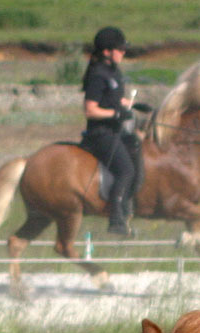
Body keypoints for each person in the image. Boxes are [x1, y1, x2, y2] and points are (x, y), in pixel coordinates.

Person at [80, 26, 143, 236]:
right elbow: (90, 110)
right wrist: (115, 115)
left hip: (116, 131)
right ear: (107, 51)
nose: (123, 52)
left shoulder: (114, 72)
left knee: (138, 151)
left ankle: (129, 206)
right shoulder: (98, 75)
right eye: (120, 49)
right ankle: (116, 219)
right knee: (125, 170)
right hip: (101, 134)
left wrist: (133, 106)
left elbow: (117, 100)